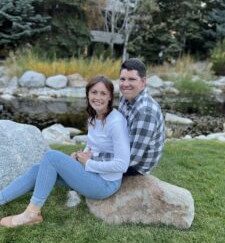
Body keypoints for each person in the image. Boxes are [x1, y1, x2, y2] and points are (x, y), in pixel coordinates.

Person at [0, 75, 130, 227]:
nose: (98, 97)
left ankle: (31, 214)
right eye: (94, 92)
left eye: (103, 93)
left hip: (105, 184)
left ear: (110, 97)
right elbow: (94, 146)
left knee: (51, 156)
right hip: (92, 173)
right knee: (38, 168)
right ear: (88, 94)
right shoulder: (94, 117)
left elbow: (122, 165)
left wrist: (88, 163)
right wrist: (81, 156)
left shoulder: (116, 122)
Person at [118, 58, 164, 176]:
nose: (125, 84)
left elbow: (132, 158)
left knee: (89, 166)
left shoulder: (146, 112)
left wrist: (98, 159)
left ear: (143, 82)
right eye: (122, 79)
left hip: (135, 167)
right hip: (124, 149)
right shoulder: (125, 97)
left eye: (131, 79)